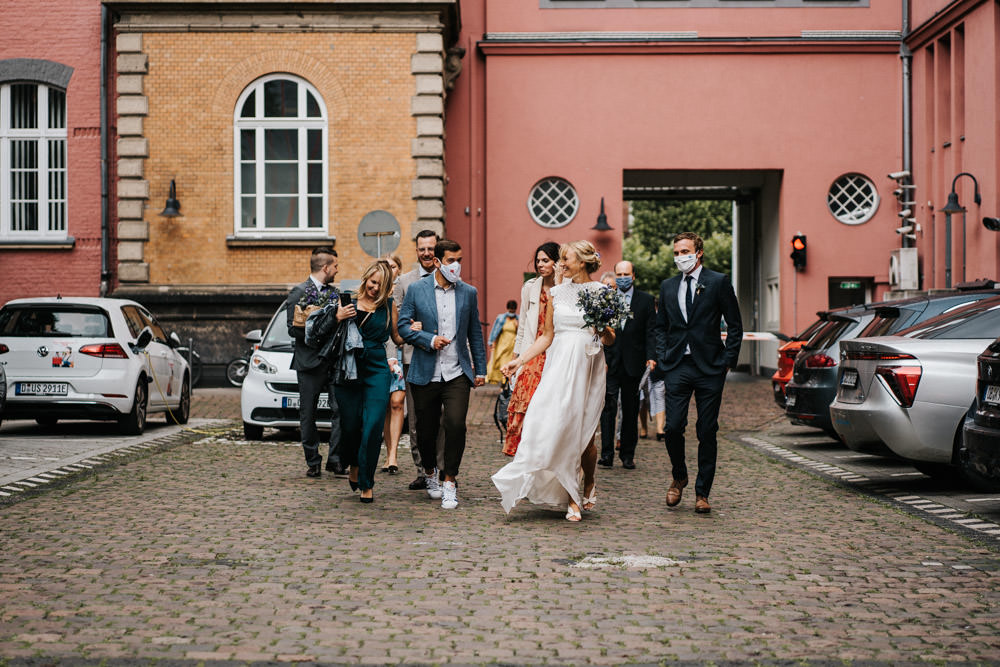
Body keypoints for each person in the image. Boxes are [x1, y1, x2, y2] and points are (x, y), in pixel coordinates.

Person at [492, 240, 615, 522]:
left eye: (566, 258)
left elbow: (609, 338)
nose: (561, 264)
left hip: (587, 366)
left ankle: (588, 481)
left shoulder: (600, 292)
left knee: (584, 436)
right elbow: (546, 337)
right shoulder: (557, 294)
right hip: (557, 367)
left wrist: (601, 327)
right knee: (547, 423)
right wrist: (519, 360)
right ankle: (570, 495)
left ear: (582, 262)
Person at [655, 231, 743, 514]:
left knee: (706, 430)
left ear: (699, 252)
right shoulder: (668, 286)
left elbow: (735, 323)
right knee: (672, 428)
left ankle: (702, 493)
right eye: (677, 252)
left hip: (709, 367)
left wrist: (727, 360)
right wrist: (662, 355)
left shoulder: (718, 282)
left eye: (685, 251)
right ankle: (679, 475)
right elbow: (661, 326)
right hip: (677, 365)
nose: (680, 257)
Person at [398, 238, 487, 510]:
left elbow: (474, 333)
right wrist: (428, 338)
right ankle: (429, 472)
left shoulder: (468, 292)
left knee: (456, 424)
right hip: (425, 371)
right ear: (437, 261)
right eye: (451, 260)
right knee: (425, 432)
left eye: (459, 259)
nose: (456, 265)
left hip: (456, 372)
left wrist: (481, 369)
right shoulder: (416, 289)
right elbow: (403, 328)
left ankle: (450, 481)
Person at [333, 260, 405, 503]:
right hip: (350, 369)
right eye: (373, 282)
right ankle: (353, 462)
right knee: (351, 426)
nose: (375, 288)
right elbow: (330, 333)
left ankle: (367, 481)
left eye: (381, 285)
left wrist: (414, 331)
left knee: (373, 426)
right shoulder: (348, 303)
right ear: (365, 279)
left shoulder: (389, 306)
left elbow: (396, 337)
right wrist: (338, 316)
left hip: (377, 368)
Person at [283, 247, 344, 478]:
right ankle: (313, 460)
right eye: (336, 266)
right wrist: (318, 331)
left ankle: (336, 460)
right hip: (309, 362)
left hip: (333, 362)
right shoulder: (298, 292)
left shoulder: (335, 293)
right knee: (308, 414)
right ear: (326, 267)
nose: (338, 270)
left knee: (340, 411)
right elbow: (292, 329)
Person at [503, 241, 561, 456]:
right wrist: (516, 358)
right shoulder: (530, 288)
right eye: (538, 261)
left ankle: (545, 455)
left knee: (548, 410)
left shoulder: (564, 289)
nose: (540, 264)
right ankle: (524, 455)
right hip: (531, 354)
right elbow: (522, 327)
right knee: (525, 404)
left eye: (545, 260)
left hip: (556, 353)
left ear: (557, 262)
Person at [393, 229, 440, 490]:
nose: (426, 253)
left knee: (443, 419)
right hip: (414, 358)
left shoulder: (448, 277)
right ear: (417, 251)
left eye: (430, 248)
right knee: (417, 420)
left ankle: (444, 469)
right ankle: (423, 470)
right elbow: (398, 325)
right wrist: (412, 329)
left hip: (445, 359)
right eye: (422, 248)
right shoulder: (405, 281)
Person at [599, 261, 656, 470]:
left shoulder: (646, 301)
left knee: (631, 410)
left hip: (634, 363)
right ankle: (606, 454)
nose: (622, 277)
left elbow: (651, 331)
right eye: (619, 274)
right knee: (608, 408)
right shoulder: (606, 299)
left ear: (633, 276)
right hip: (610, 363)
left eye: (626, 274)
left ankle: (627, 454)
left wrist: (652, 357)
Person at [381, 254, 408, 474]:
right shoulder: (375, 291)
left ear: (399, 269)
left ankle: (393, 456)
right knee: (384, 406)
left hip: (400, 351)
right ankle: (387, 450)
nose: (390, 270)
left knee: (397, 402)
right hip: (379, 353)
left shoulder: (404, 291)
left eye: (393, 266)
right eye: (386, 266)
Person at [485, 300, 518, 384]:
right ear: (507, 309)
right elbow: (495, 331)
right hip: (502, 344)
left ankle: (505, 384)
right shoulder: (501, 318)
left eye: (513, 310)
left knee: (508, 363)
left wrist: (517, 325)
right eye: (510, 310)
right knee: (499, 362)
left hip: (512, 345)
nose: (511, 312)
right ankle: (501, 381)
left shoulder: (518, 319)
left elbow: (520, 334)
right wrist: (492, 343)